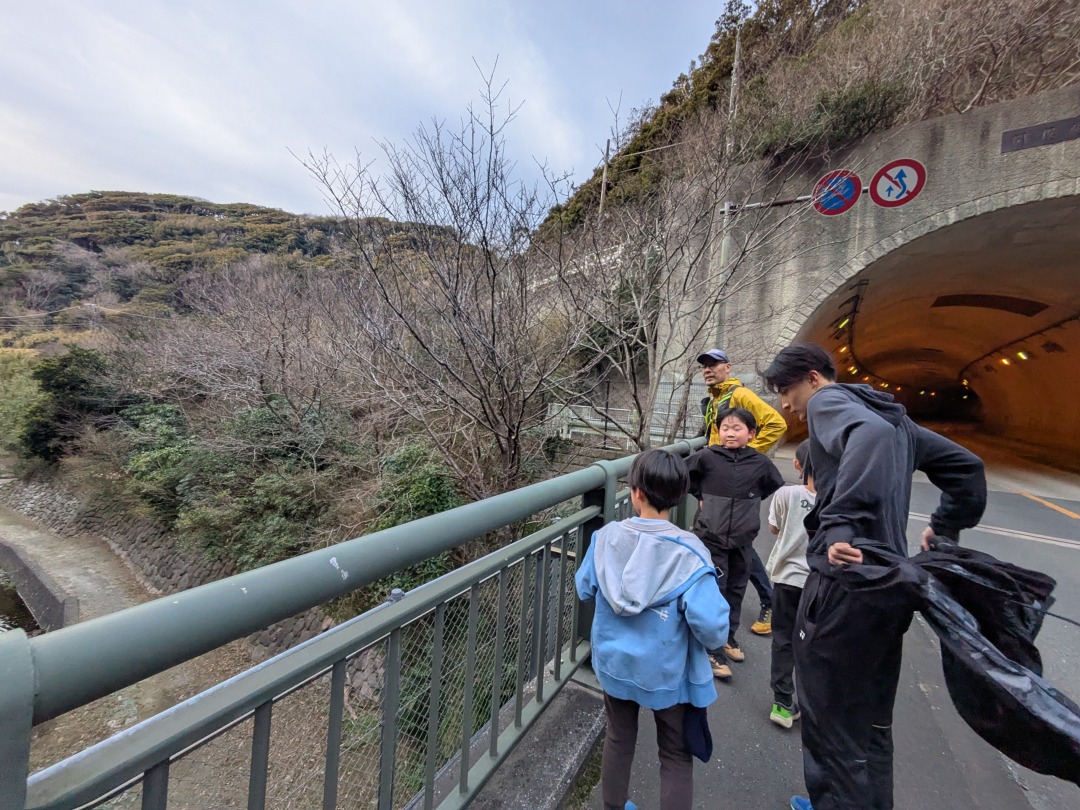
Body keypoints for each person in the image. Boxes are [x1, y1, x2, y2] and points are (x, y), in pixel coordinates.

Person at [761, 343, 986, 810]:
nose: (785, 403)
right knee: (872, 725)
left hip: (843, 587)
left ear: (814, 378)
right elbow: (967, 469)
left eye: (786, 389)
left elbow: (871, 437)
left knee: (830, 725)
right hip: (886, 587)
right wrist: (945, 527)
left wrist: (841, 522)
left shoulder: (828, 402)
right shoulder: (898, 420)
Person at [576, 448, 729, 810]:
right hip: (666, 672)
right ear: (679, 496)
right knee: (675, 753)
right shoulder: (691, 552)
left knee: (618, 738)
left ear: (636, 492)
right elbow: (712, 628)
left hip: (615, 663)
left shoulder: (606, 537)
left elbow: (584, 588)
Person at [686, 407, 784, 680]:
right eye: (725, 428)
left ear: (751, 433)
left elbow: (771, 485)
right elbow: (684, 473)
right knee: (714, 592)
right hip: (711, 537)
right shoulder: (707, 457)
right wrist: (701, 495)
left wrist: (748, 501)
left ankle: (728, 637)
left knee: (736, 591)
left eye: (737, 428)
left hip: (742, 539)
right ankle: (712, 649)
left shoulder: (759, 463)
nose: (730, 433)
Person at [698, 348, 788, 636]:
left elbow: (776, 423)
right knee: (737, 545)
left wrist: (746, 456)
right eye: (704, 366)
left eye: (714, 364)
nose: (708, 369)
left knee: (737, 546)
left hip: (735, 483)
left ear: (728, 367)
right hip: (721, 484)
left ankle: (765, 604)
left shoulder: (739, 395)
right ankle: (766, 602)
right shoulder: (717, 399)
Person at [765, 440, 815, 730]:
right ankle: (815, 707)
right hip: (820, 584)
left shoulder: (786, 494)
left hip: (786, 579)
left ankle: (782, 704)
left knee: (783, 639)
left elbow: (774, 528)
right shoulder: (838, 500)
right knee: (815, 643)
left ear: (797, 464)